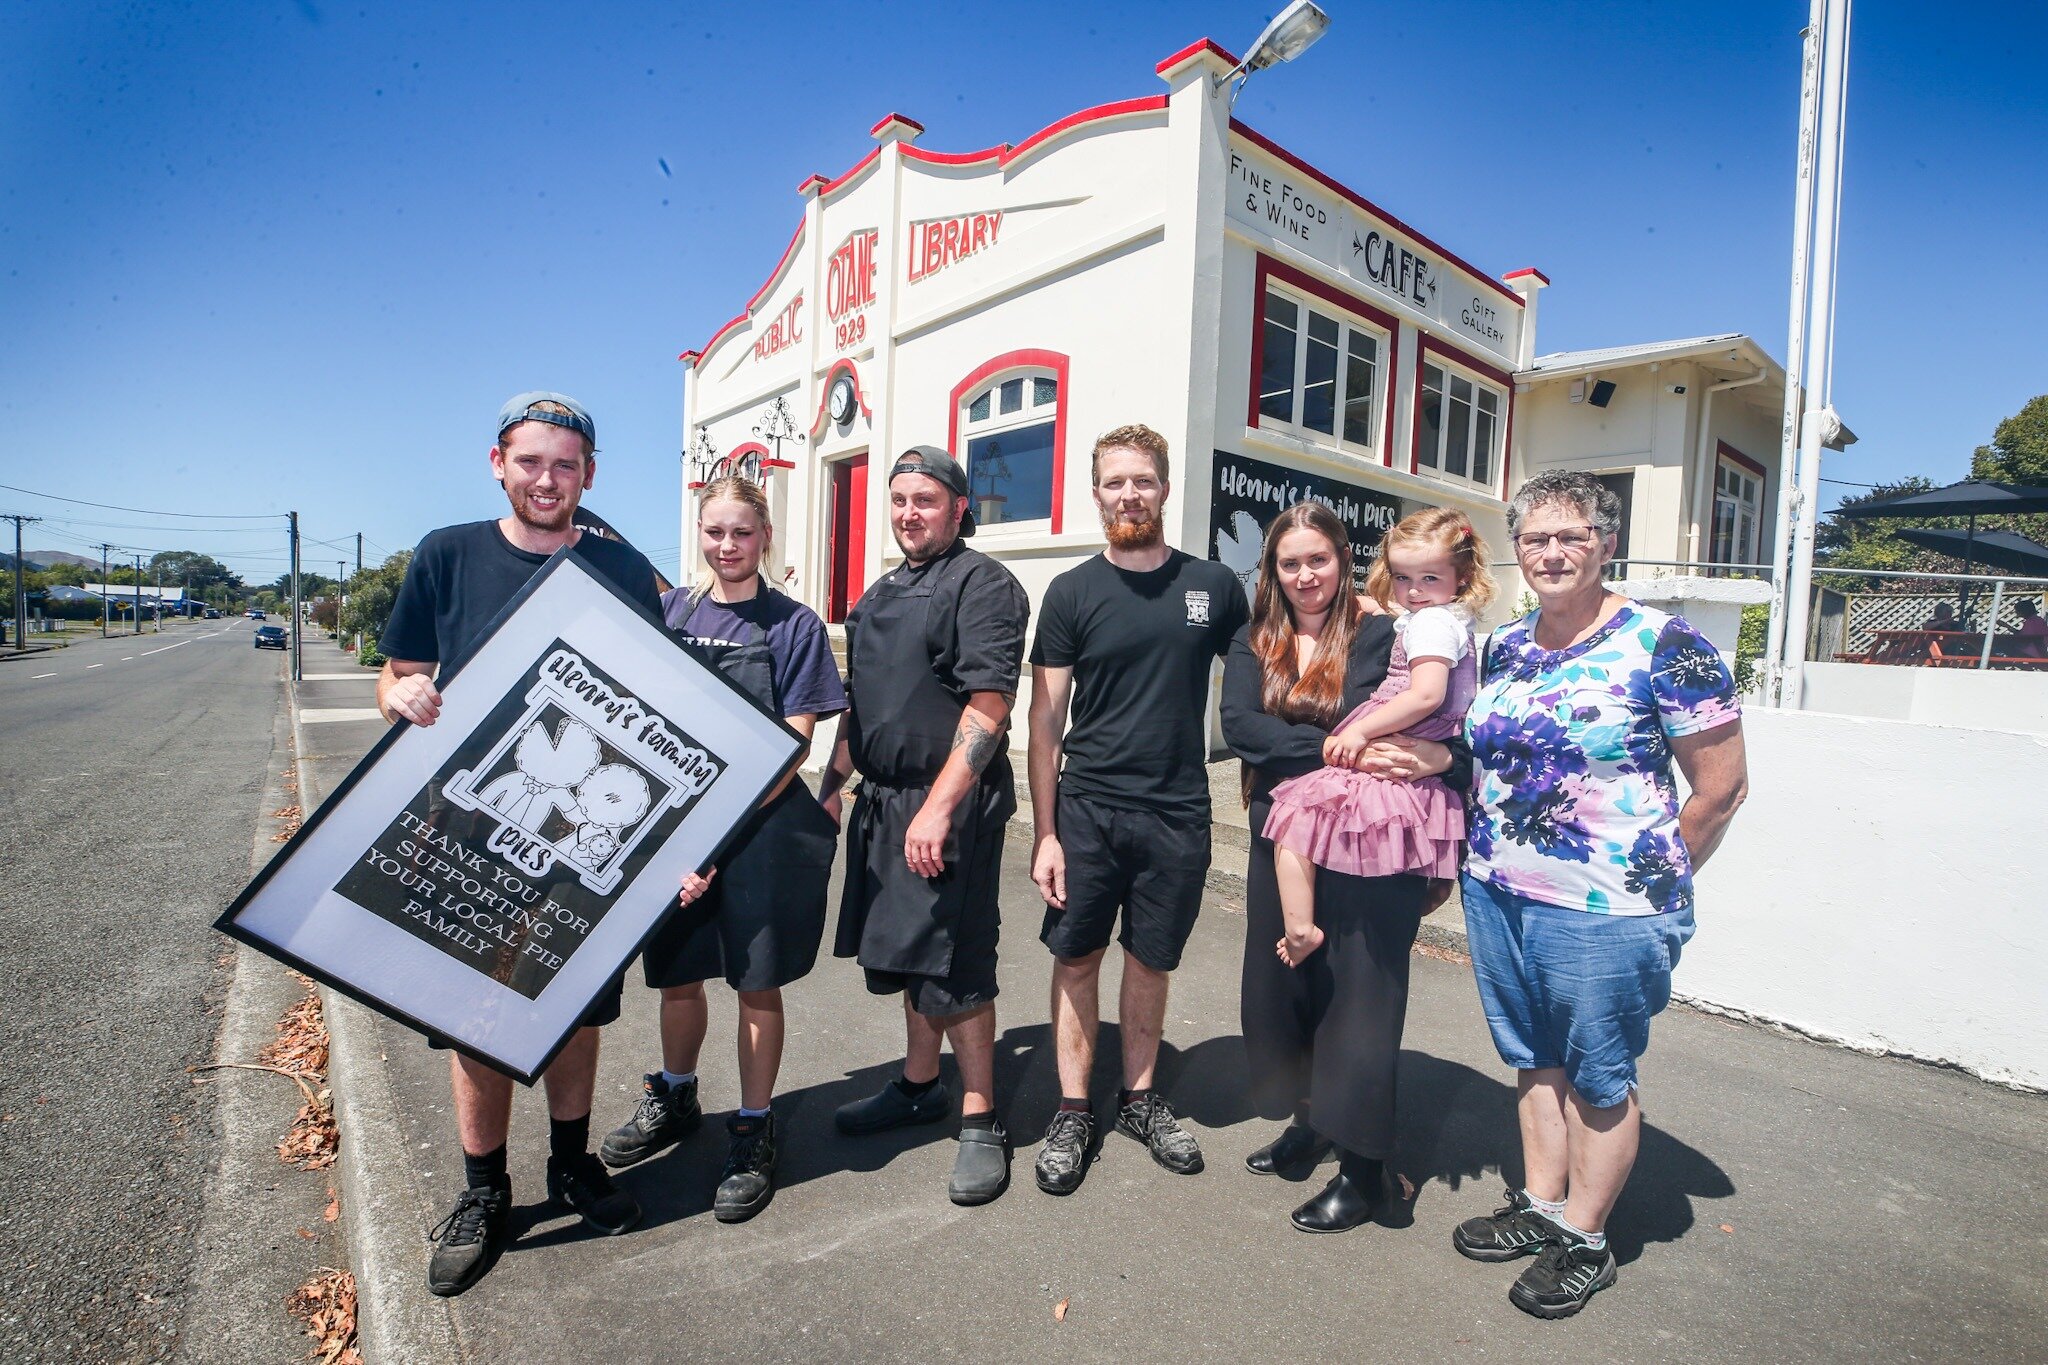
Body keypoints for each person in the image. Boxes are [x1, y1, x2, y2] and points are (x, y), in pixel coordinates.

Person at [377, 392, 660, 1298]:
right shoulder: (447, 554)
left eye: (566, 465)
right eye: (531, 461)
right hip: (470, 830)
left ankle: (571, 1165)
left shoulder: (624, 568)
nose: (547, 479)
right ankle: (483, 1189)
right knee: (478, 1016)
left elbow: (663, 713)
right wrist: (399, 699)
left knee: (578, 1007)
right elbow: (399, 668)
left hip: (587, 832)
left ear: (589, 475)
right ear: (498, 461)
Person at [1452, 470, 1747, 1320]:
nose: (1552, 552)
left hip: (1607, 908)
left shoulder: (1666, 644)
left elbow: (1721, 788)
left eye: (1571, 535)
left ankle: (1586, 1237)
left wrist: (1653, 881)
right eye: (1536, 538)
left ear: (1606, 543)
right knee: (1534, 1057)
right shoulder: (1507, 644)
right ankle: (1542, 1206)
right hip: (1500, 888)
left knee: (1598, 1075)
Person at [1219, 502, 1474, 1235]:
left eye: (1318, 559)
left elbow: (1436, 716)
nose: (1305, 575)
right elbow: (1242, 727)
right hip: (1286, 832)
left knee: (1360, 999)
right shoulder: (1254, 638)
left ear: (1342, 557)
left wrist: (1431, 758)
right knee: (1283, 990)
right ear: (1273, 569)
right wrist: (1344, 745)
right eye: (1290, 562)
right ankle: (1312, 1121)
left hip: (1371, 838)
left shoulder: (1386, 630)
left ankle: (1364, 1173)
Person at [597, 475, 845, 1224]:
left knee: (754, 983)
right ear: (699, 534)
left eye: (742, 532)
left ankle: (753, 1122)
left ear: (764, 535)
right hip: (673, 837)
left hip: (759, 833)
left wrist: (714, 841)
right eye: (715, 532)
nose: (728, 546)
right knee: (678, 978)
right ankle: (675, 1092)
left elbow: (791, 746)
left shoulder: (794, 626)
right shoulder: (670, 614)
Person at [1025, 424, 1249, 1195]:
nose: (1130, 494)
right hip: (1087, 809)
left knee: (1152, 961)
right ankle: (1074, 1109)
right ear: (1097, 493)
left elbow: (1264, 673)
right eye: (1115, 481)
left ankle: (1141, 1098)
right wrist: (1046, 832)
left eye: (1143, 480)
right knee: (1077, 957)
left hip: (1178, 812)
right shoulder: (1071, 592)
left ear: (1163, 488)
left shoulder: (1212, 587)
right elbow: (1045, 722)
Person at [818, 445, 1030, 1205]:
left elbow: (989, 705)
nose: (910, 512)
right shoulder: (876, 596)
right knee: (910, 956)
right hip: (885, 802)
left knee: (956, 962)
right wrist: (831, 786)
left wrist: (940, 807)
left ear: (959, 507)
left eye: (927, 500)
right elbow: (859, 707)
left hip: (950, 804)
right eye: (900, 499)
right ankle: (916, 1085)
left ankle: (981, 1114)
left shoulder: (984, 586)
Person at [1263, 508, 1495, 967]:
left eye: (1429, 577)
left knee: (1295, 816)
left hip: (1402, 734)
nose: (1414, 590)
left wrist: (1361, 730)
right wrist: (1374, 605)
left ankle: (1300, 928)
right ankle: (1426, 889)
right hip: (1424, 750)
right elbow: (1409, 612)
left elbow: (1426, 695)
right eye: (1403, 577)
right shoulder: (1441, 617)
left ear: (1463, 576)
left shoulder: (1430, 624)